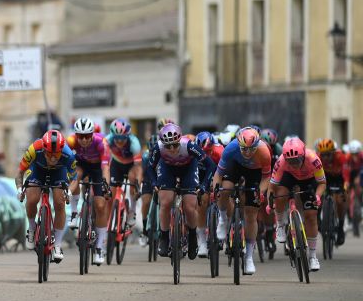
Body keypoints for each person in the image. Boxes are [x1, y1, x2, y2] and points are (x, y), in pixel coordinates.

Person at [211, 126, 271, 275]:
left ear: (257, 145)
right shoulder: (231, 148)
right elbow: (218, 174)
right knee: (225, 190)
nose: (248, 153)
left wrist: (260, 192)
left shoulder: (264, 152)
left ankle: (249, 257)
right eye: (244, 149)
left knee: (251, 214)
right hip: (235, 167)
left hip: (255, 173)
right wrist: (216, 189)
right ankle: (224, 220)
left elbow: (266, 177)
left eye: (251, 149)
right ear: (239, 144)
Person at [16, 129, 76, 263]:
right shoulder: (34, 149)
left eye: (56, 154)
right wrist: (20, 189)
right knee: (32, 199)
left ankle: (58, 245)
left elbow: (74, 179)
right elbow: (20, 172)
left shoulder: (68, 154)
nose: (53, 158)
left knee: (59, 203)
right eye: (49, 154)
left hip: (59, 173)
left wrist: (70, 191)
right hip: (38, 170)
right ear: (43, 150)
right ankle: (31, 229)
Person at [149, 123, 205, 261]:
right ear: (163, 144)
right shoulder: (158, 148)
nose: (172, 149)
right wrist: (154, 183)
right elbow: (150, 167)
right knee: (166, 202)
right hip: (168, 170)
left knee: (189, 207)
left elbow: (210, 165)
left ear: (180, 140)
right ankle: (164, 236)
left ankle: (192, 236)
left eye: (175, 144)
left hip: (188, 170)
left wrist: (203, 185)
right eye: (168, 146)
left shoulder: (190, 146)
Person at [270, 137, 325, 272]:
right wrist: (270, 203)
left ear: (304, 154)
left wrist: (317, 196)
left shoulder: (313, 159)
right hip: (288, 178)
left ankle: (312, 257)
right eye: (291, 161)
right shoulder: (281, 161)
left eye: (297, 160)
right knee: (280, 193)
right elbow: (272, 187)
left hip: (309, 180)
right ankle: (281, 225)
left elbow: (322, 183)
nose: (294, 164)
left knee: (311, 216)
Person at [67, 117, 110, 266]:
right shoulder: (71, 141)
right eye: (81, 136)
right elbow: (64, 159)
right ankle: (73, 212)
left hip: (98, 168)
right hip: (81, 164)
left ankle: (99, 246)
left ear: (92, 134)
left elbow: (105, 167)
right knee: (75, 177)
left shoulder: (101, 142)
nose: (84, 140)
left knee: (100, 205)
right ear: (76, 135)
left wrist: (106, 185)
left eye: (87, 136)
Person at [105, 118, 142, 226]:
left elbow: (138, 167)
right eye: (117, 138)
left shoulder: (134, 144)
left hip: (131, 165)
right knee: (110, 193)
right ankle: (107, 225)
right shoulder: (107, 140)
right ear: (112, 136)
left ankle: (132, 211)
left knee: (132, 178)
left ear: (128, 136)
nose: (119, 141)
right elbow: (104, 163)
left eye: (122, 138)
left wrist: (137, 185)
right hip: (116, 164)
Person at [315, 137, 349, 245]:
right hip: (326, 178)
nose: (325, 157)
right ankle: (318, 221)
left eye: (328, 154)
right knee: (317, 198)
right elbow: (314, 174)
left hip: (339, 178)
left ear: (333, 153)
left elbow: (346, 174)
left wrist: (345, 186)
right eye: (323, 155)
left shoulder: (340, 157)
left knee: (340, 200)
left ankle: (340, 228)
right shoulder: (318, 158)